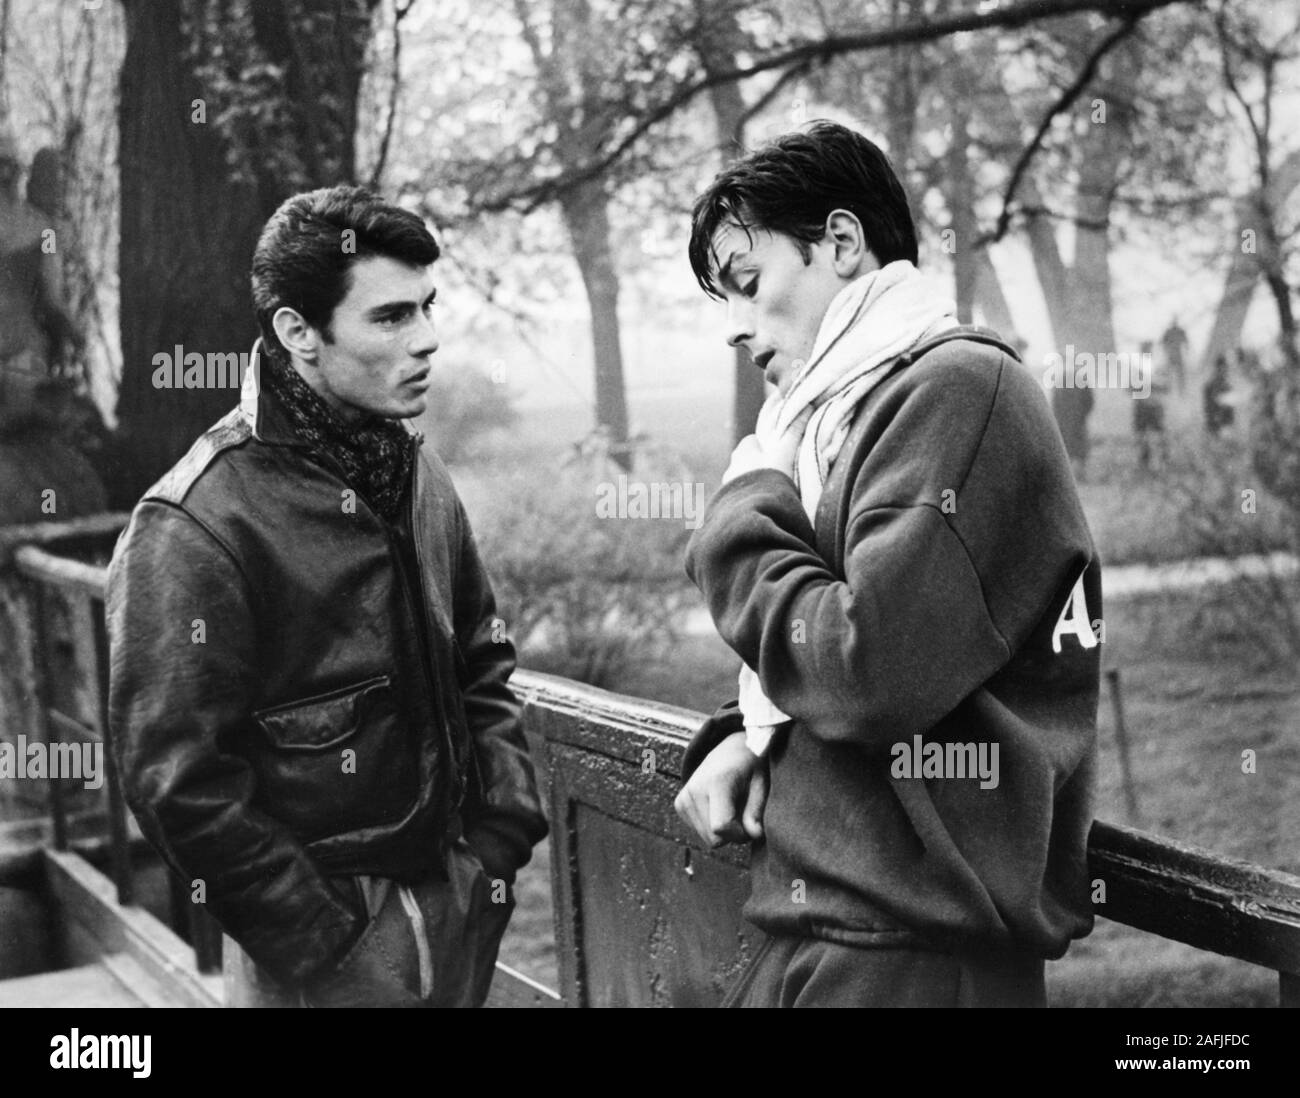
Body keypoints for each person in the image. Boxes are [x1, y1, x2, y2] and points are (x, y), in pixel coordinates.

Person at [675, 121, 1100, 1008]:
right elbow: (865, 624)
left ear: (840, 241)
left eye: (749, 284)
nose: (736, 328)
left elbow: (871, 667)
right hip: (833, 922)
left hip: (914, 948)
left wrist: (742, 511)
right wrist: (745, 737)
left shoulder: (953, 391)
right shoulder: (846, 411)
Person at [105, 185, 547, 1007]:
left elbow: (483, 663)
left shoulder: (417, 473)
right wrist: (328, 942)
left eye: (426, 307)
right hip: (317, 951)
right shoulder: (196, 519)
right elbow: (177, 777)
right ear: (297, 333)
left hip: (456, 902)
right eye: (390, 318)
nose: (427, 340)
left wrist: (496, 844)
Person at [1134, 339, 1168, 469]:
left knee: (1158, 435)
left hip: (1154, 405)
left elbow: (1166, 386)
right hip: (1143, 405)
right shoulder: (1137, 367)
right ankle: (1144, 461)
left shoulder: (1157, 366)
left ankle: (1162, 461)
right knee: (1142, 435)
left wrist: (1152, 384)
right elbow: (1130, 387)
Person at [1203, 352, 1235, 438]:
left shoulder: (1227, 386)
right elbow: (1208, 407)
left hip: (1225, 425)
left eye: (1225, 368)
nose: (1225, 371)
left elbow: (1230, 409)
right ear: (1218, 368)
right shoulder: (1210, 385)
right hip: (1215, 424)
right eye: (1223, 368)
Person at [1160, 317, 1189, 395]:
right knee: (1169, 374)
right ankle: (1169, 390)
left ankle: (1181, 390)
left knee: (1179, 374)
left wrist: (1187, 349)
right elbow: (1163, 342)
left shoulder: (1180, 331)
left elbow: (1186, 341)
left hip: (1177, 354)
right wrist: (1165, 350)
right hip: (1172, 355)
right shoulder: (1169, 332)